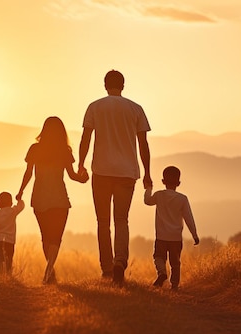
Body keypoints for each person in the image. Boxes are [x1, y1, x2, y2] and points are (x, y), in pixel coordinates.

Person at [78, 69, 152, 286]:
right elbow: (143, 144)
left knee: (103, 221)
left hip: (101, 171)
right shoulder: (135, 108)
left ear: (104, 85)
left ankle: (107, 268)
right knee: (122, 220)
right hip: (127, 172)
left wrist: (81, 164)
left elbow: (86, 138)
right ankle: (120, 261)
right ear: (123, 85)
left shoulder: (95, 107)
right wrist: (147, 172)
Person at [16, 116, 89, 285]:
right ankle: (49, 270)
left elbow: (28, 173)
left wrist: (20, 192)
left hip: (39, 198)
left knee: (46, 238)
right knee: (56, 238)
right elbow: (72, 176)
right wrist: (83, 178)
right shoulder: (64, 151)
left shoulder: (34, 149)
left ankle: (50, 270)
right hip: (60, 199)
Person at [144, 166, 200, 290]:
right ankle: (174, 285)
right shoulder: (182, 199)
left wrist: (149, 188)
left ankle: (162, 272)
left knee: (158, 257)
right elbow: (188, 218)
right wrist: (194, 235)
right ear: (178, 183)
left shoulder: (158, 195)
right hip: (176, 237)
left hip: (161, 236)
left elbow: (147, 201)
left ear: (163, 181)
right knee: (175, 262)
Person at [0, 191, 25, 276]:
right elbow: (21, 206)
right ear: (11, 203)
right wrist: (19, 199)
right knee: (9, 261)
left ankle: (0, 276)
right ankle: (8, 277)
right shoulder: (12, 211)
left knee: (0, 260)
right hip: (10, 242)